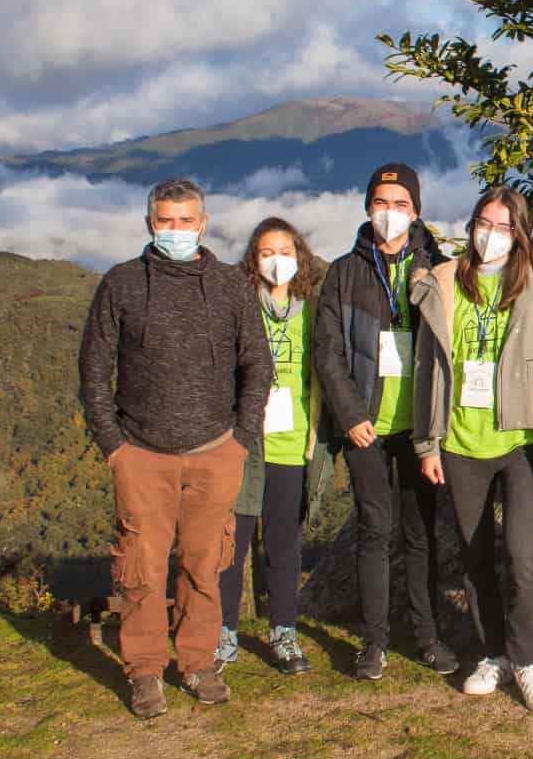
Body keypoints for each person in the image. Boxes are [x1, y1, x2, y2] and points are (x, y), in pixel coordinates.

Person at [78, 179, 273, 719]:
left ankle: (196, 662)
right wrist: (113, 445)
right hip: (140, 451)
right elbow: (94, 368)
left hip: (216, 450)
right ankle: (144, 670)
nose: (177, 230)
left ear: (204, 223)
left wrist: (240, 438)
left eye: (187, 221)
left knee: (204, 563)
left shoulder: (232, 285)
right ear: (149, 224)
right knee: (139, 567)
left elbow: (257, 362)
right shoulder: (121, 284)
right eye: (167, 221)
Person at [412, 185, 533, 712]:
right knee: (475, 557)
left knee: (523, 559)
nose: (492, 234)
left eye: (505, 226)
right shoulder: (442, 284)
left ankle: (529, 661)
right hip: (461, 441)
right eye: (484, 222)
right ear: (471, 225)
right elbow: (427, 370)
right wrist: (427, 443)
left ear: (520, 232)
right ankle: (493, 654)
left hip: (523, 441)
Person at [314, 163, 453, 681]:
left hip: (420, 430)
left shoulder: (437, 267)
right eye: (380, 202)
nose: (389, 213)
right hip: (366, 427)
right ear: (367, 207)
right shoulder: (344, 272)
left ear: (415, 210)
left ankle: (428, 636)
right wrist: (350, 415)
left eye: (399, 203)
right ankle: (374, 642)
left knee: (420, 536)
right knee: (374, 530)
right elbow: (327, 352)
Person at [216, 218, 333, 675]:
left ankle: (283, 631)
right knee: (233, 545)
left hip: (292, 446)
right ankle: (223, 633)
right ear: (253, 259)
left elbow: (318, 377)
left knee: (284, 546)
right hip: (244, 445)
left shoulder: (312, 312)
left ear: (300, 256)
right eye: (267, 252)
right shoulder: (240, 309)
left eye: (285, 250)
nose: (277, 260)